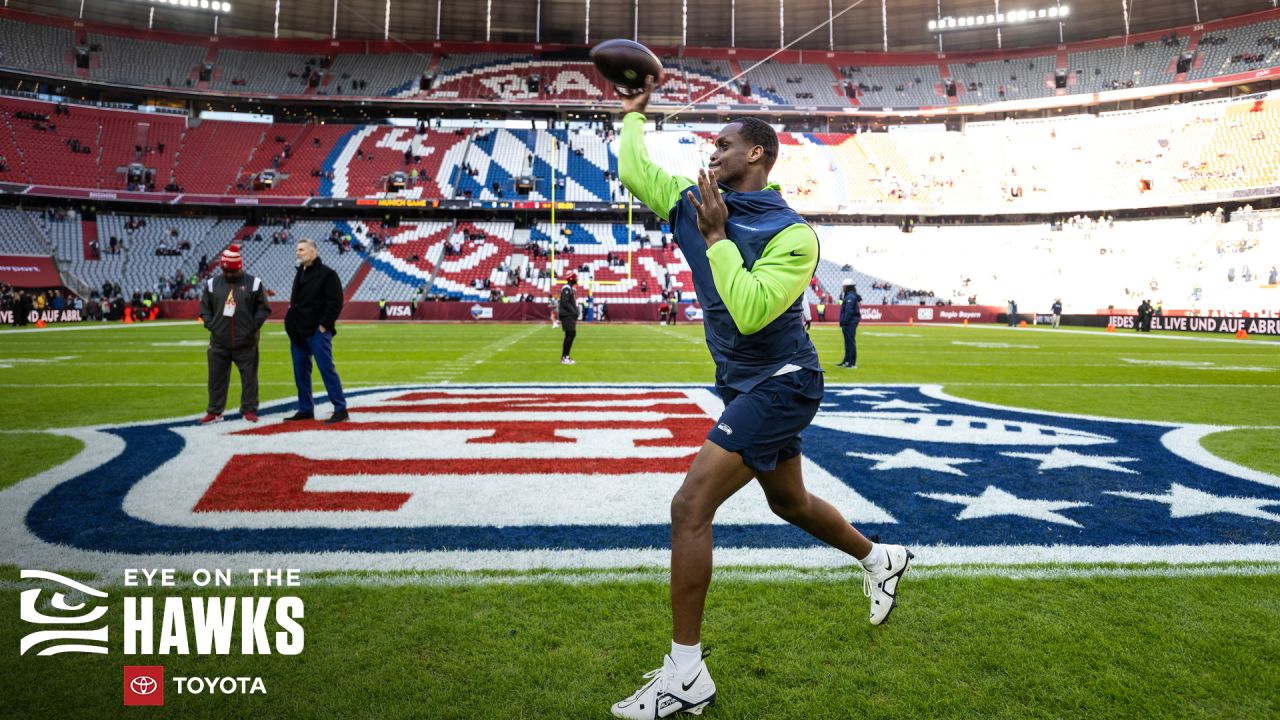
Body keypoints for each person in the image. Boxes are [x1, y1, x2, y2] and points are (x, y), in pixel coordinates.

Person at [611, 76, 913, 719]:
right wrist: (633, 114)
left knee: (690, 505)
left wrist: (718, 239)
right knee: (790, 503)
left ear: (757, 154)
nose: (710, 153)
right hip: (746, 384)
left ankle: (685, 673)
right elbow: (635, 170)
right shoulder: (692, 198)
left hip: (784, 381)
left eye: (722, 144)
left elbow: (749, 313)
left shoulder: (794, 234)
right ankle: (880, 557)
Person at [198, 244, 270, 424]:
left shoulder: (254, 283)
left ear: (240, 267)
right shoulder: (212, 284)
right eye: (226, 271)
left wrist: (252, 326)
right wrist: (211, 324)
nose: (229, 275)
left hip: (246, 342)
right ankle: (214, 411)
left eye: (232, 271)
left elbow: (263, 308)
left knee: (249, 379)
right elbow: (204, 309)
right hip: (219, 342)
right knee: (215, 379)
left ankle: (249, 409)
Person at [284, 239, 348, 423]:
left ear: (313, 252)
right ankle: (305, 409)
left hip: (316, 331)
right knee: (300, 372)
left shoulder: (328, 274)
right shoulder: (300, 273)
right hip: (298, 332)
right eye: (297, 249)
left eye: (302, 250)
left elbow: (335, 302)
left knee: (326, 369)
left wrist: (324, 325)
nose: (298, 252)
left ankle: (340, 408)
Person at [838, 280, 861, 368]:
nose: (843, 288)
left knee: (850, 343)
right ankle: (846, 361)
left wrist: (844, 322)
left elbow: (848, 311)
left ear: (847, 287)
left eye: (844, 287)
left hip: (849, 323)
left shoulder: (850, 297)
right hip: (849, 322)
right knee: (848, 343)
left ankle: (852, 362)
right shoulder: (850, 296)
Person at [558, 272, 578, 364]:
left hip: (567, 315)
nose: (576, 279)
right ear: (572, 279)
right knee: (571, 334)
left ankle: (565, 357)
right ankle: (565, 357)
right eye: (575, 277)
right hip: (567, 315)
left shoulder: (569, 288)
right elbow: (565, 302)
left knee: (569, 335)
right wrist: (573, 311)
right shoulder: (566, 288)